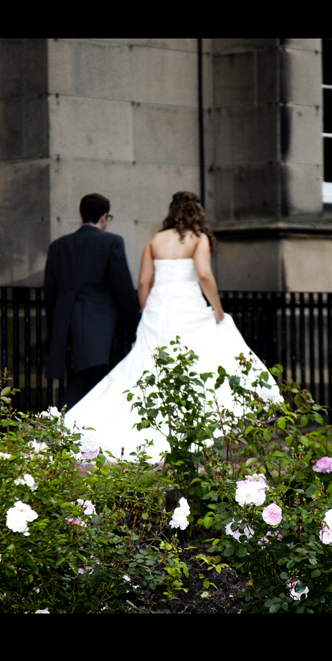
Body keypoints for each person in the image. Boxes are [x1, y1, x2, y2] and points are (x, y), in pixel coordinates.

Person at [65, 191, 281, 463]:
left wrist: (147, 311)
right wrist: (217, 308)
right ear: (197, 212)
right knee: (203, 359)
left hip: (158, 310)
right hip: (186, 308)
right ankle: (195, 424)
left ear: (171, 211)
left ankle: (90, 425)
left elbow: (143, 283)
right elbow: (203, 274)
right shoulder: (198, 238)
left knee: (143, 369)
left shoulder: (155, 240)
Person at [44, 193, 140, 409]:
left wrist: (56, 333)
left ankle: (76, 431)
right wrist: (135, 324)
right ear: (104, 216)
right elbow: (122, 288)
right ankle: (62, 427)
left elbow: (50, 296)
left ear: (80, 214)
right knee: (89, 381)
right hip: (97, 324)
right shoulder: (112, 242)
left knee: (91, 381)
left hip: (65, 323)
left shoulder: (58, 246)